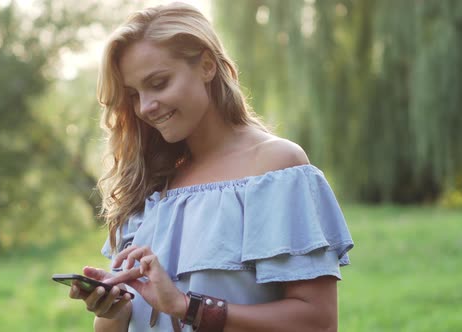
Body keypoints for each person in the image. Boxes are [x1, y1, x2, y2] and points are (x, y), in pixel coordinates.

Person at [68, 2, 354, 331]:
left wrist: (186, 306)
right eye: (133, 94)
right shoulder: (149, 181)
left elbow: (317, 323)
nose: (145, 107)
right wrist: (112, 309)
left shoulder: (274, 169)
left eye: (159, 83)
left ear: (206, 65)